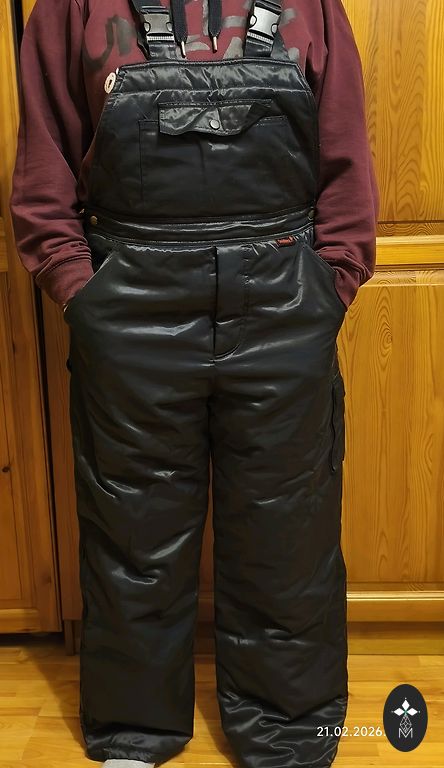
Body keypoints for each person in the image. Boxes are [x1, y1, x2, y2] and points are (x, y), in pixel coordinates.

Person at [9, 1, 379, 767]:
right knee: (131, 534)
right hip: (129, 305)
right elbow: (45, 171)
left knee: (288, 535)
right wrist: (81, 295)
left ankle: (288, 737)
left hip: (285, 303)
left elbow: (346, 160)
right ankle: (133, 733)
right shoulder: (69, 9)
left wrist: (331, 285)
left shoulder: (313, 6)